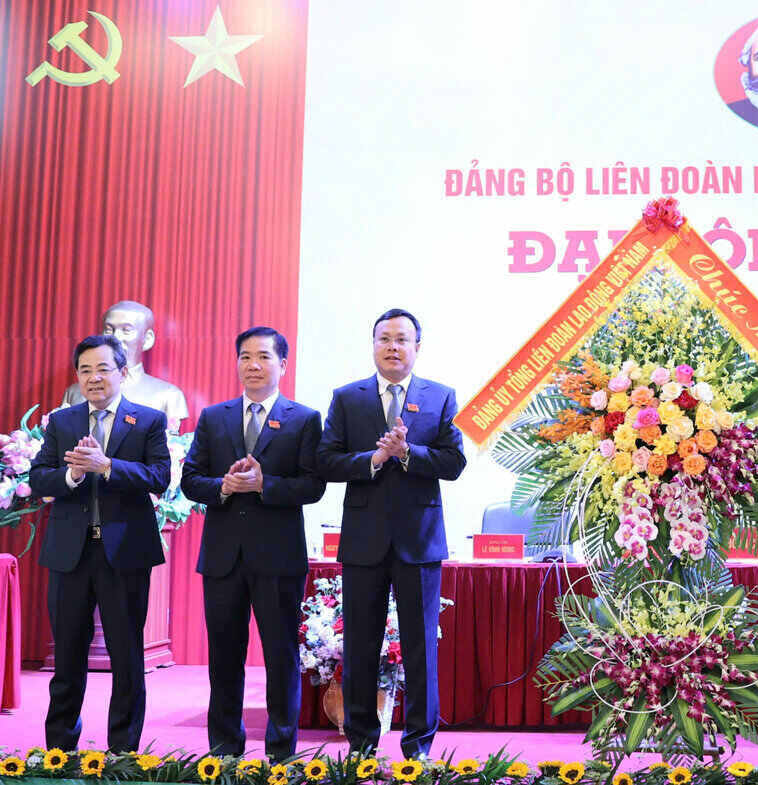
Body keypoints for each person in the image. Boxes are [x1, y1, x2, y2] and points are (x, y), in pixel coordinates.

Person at [317, 308, 466, 757]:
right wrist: (373, 460)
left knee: (420, 647)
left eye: (402, 340)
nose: (393, 347)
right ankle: (362, 742)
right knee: (360, 644)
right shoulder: (348, 398)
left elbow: (453, 463)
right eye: (385, 339)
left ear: (417, 347)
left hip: (419, 540)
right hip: (363, 540)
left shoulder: (440, 397)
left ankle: (418, 743)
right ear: (374, 345)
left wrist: (407, 453)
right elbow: (325, 461)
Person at [180, 326, 325, 761]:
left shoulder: (304, 418)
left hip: (278, 557)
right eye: (245, 356)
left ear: (282, 364)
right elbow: (190, 480)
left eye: (263, 356)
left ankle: (281, 752)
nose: (253, 365)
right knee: (224, 658)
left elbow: (313, 485)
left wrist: (266, 485)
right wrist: (222, 486)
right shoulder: (213, 416)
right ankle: (224, 751)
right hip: (223, 557)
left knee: (281, 657)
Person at [29, 335, 171, 752]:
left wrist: (107, 466)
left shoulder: (146, 421)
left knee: (127, 656)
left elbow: (159, 477)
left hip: (124, 554)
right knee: (68, 658)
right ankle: (59, 751)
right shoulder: (63, 422)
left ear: (123, 373)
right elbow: (39, 477)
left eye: (103, 368)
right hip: (70, 554)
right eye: (85, 370)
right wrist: (72, 476)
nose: (94, 378)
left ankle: (122, 751)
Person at [60, 300, 189, 429]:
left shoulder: (168, 396)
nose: (115, 338)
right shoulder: (74, 392)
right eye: (109, 330)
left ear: (147, 339)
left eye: (126, 330)